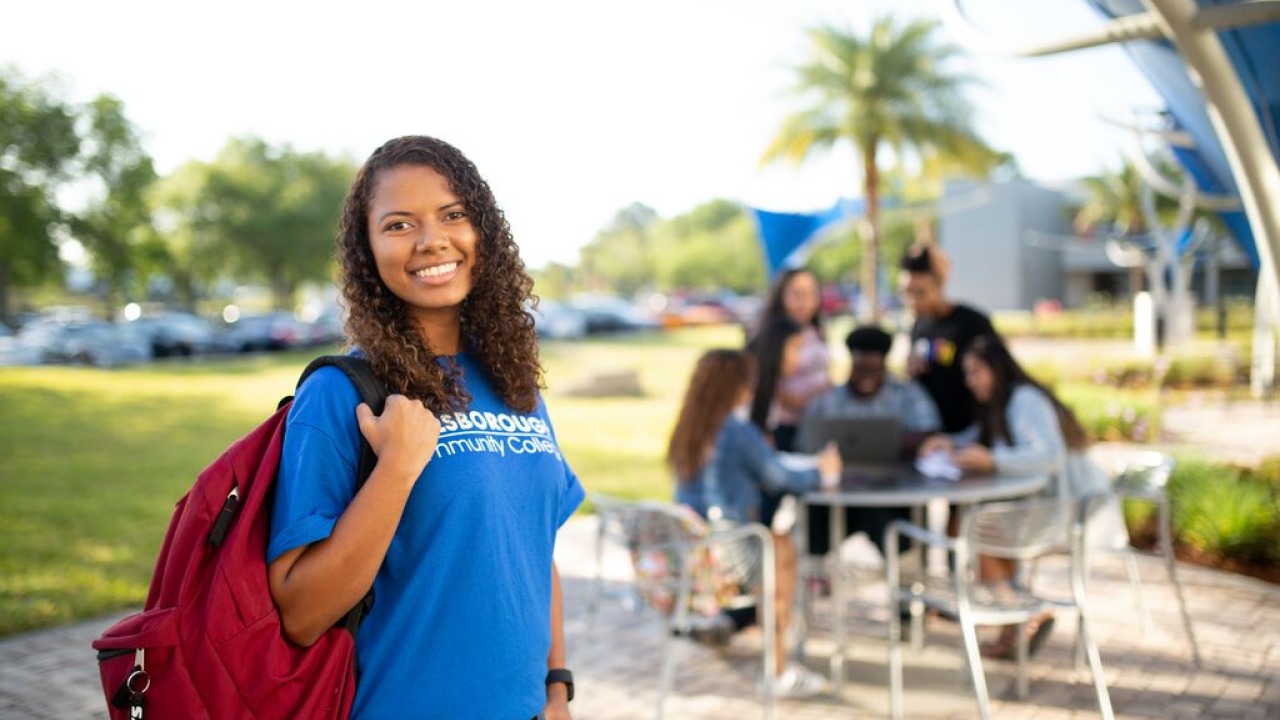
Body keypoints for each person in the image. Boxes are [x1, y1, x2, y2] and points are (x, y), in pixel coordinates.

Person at [267, 136, 583, 720]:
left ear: (481, 230)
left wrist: (556, 689)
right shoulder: (340, 394)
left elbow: (533, 549)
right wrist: (397, 468)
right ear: (367, 250)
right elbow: (301, 612)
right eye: (399, 224)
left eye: (453, 214)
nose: (431, 240)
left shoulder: (515, 384)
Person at [919, 333, 1109, 661]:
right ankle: (1017, 618)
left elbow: (1049, 456)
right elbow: (979, 439)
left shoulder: (1026, 401)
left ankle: (1020, 618)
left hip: (1061, 511)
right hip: (1036, 508)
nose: (970, 381)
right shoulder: (999, 404)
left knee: (979, 528)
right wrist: (949, 443)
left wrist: (993, 461)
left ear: (996, 369)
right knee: (984, 525)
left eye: (976, 372)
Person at [668, 348, 841, 697]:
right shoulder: (734, 430)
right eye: (747, 381)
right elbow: (780, 477)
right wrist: (825, 470)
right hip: (724, 556)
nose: (751, 388)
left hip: (689, 555)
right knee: (782, 548)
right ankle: (777, 668)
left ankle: (776, 657)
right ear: (734, 387)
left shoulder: (690, 427)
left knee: (776, 541)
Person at [796, 325, 942, 561]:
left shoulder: (909, 395)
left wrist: (892, 442)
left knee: (904, 541)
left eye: (873, 370)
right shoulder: (828, 400)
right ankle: (816, 583)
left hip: (895, 492)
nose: (866, 377)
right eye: (860, 369)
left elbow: (930, 434)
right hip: (838, 493)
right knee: (813, 527)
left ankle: (907, 587)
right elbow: (804, 443)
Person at [746, 267, 831, 529]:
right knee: (772, 491)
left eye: (811, 293)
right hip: (778, 426)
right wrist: (799, 400)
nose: (804, 301)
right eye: (796, 293)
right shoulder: (770, 332)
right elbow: (760, 379)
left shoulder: (815, 330)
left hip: (813, 425)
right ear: (781, 295)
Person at [899, 243, 995, 435]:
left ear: (939, 285)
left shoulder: (973, 323)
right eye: (906, 292)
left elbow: (996, 375)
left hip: (970, 430)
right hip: (931, 432)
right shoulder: (918, 327)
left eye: (920, 292)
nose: (912, 300)